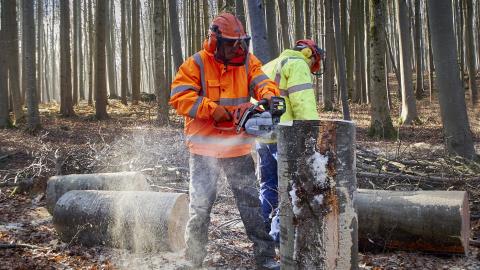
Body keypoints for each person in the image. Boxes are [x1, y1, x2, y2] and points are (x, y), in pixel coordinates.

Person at [169, 13, 280, 270]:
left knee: (251, 206)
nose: (236, 48)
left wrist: (269, 97)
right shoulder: (196, 64)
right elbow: (179, 97)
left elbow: (262, 81)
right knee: (200, 208)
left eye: (240, 42)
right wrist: (211, 109)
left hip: (237, 148)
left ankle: (264, 258)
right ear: (215, 40)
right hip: (204, 150)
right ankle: (193, 260)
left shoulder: (247, 62)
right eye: (231, 43)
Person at [256, 40, 324, 241]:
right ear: (308, 54)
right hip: (286, 135)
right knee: (290, 184)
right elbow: (303, 103)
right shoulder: (297, 63)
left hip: (262, 134)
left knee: (268, 184)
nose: (311, 67)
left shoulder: (270, 64)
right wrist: (312, 134)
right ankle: (280, 236)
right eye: (313, 63)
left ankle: (262, 230)